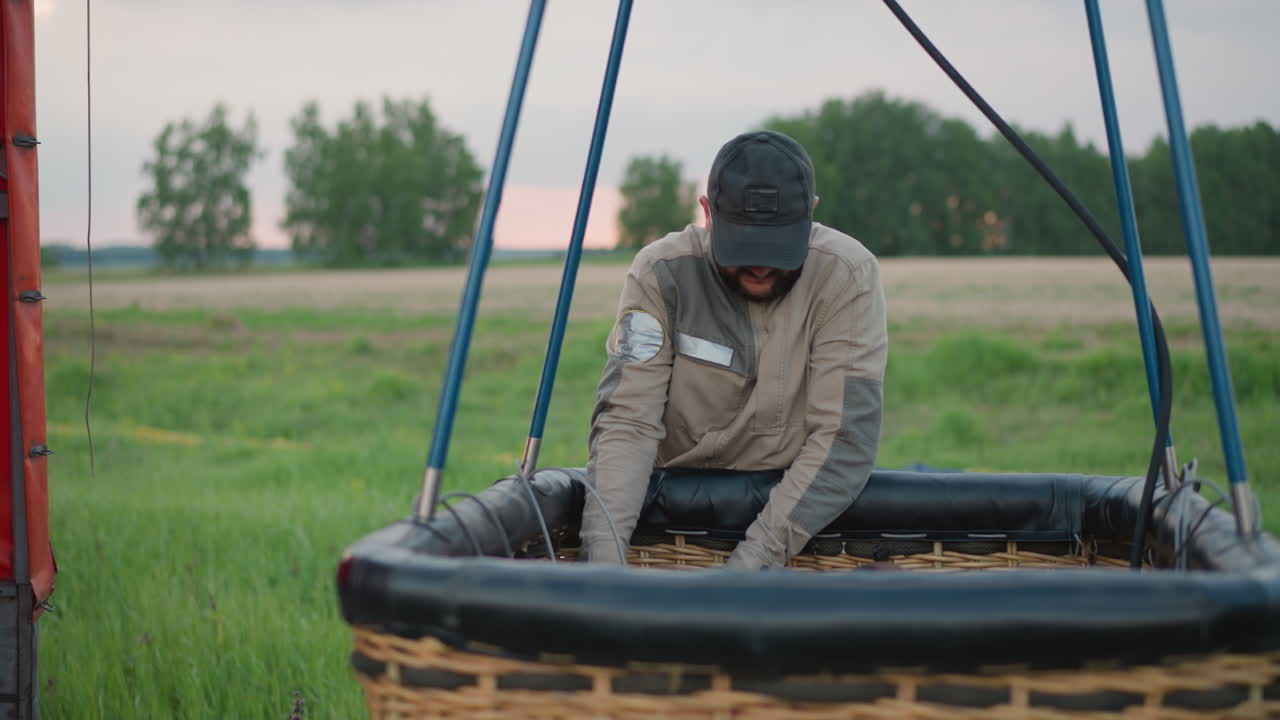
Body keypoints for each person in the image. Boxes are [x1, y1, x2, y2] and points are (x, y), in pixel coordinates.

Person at [581, 130, 888, 570]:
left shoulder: (848, 275)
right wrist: (604, 575)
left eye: (779, 246)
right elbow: (627, 425)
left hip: (792, 523)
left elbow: (843, 440)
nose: (761, 266)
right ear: (707, 213)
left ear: (811, 213)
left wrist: (747, 569)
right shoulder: (660, 273)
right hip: (672, 523)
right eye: (742, 245)